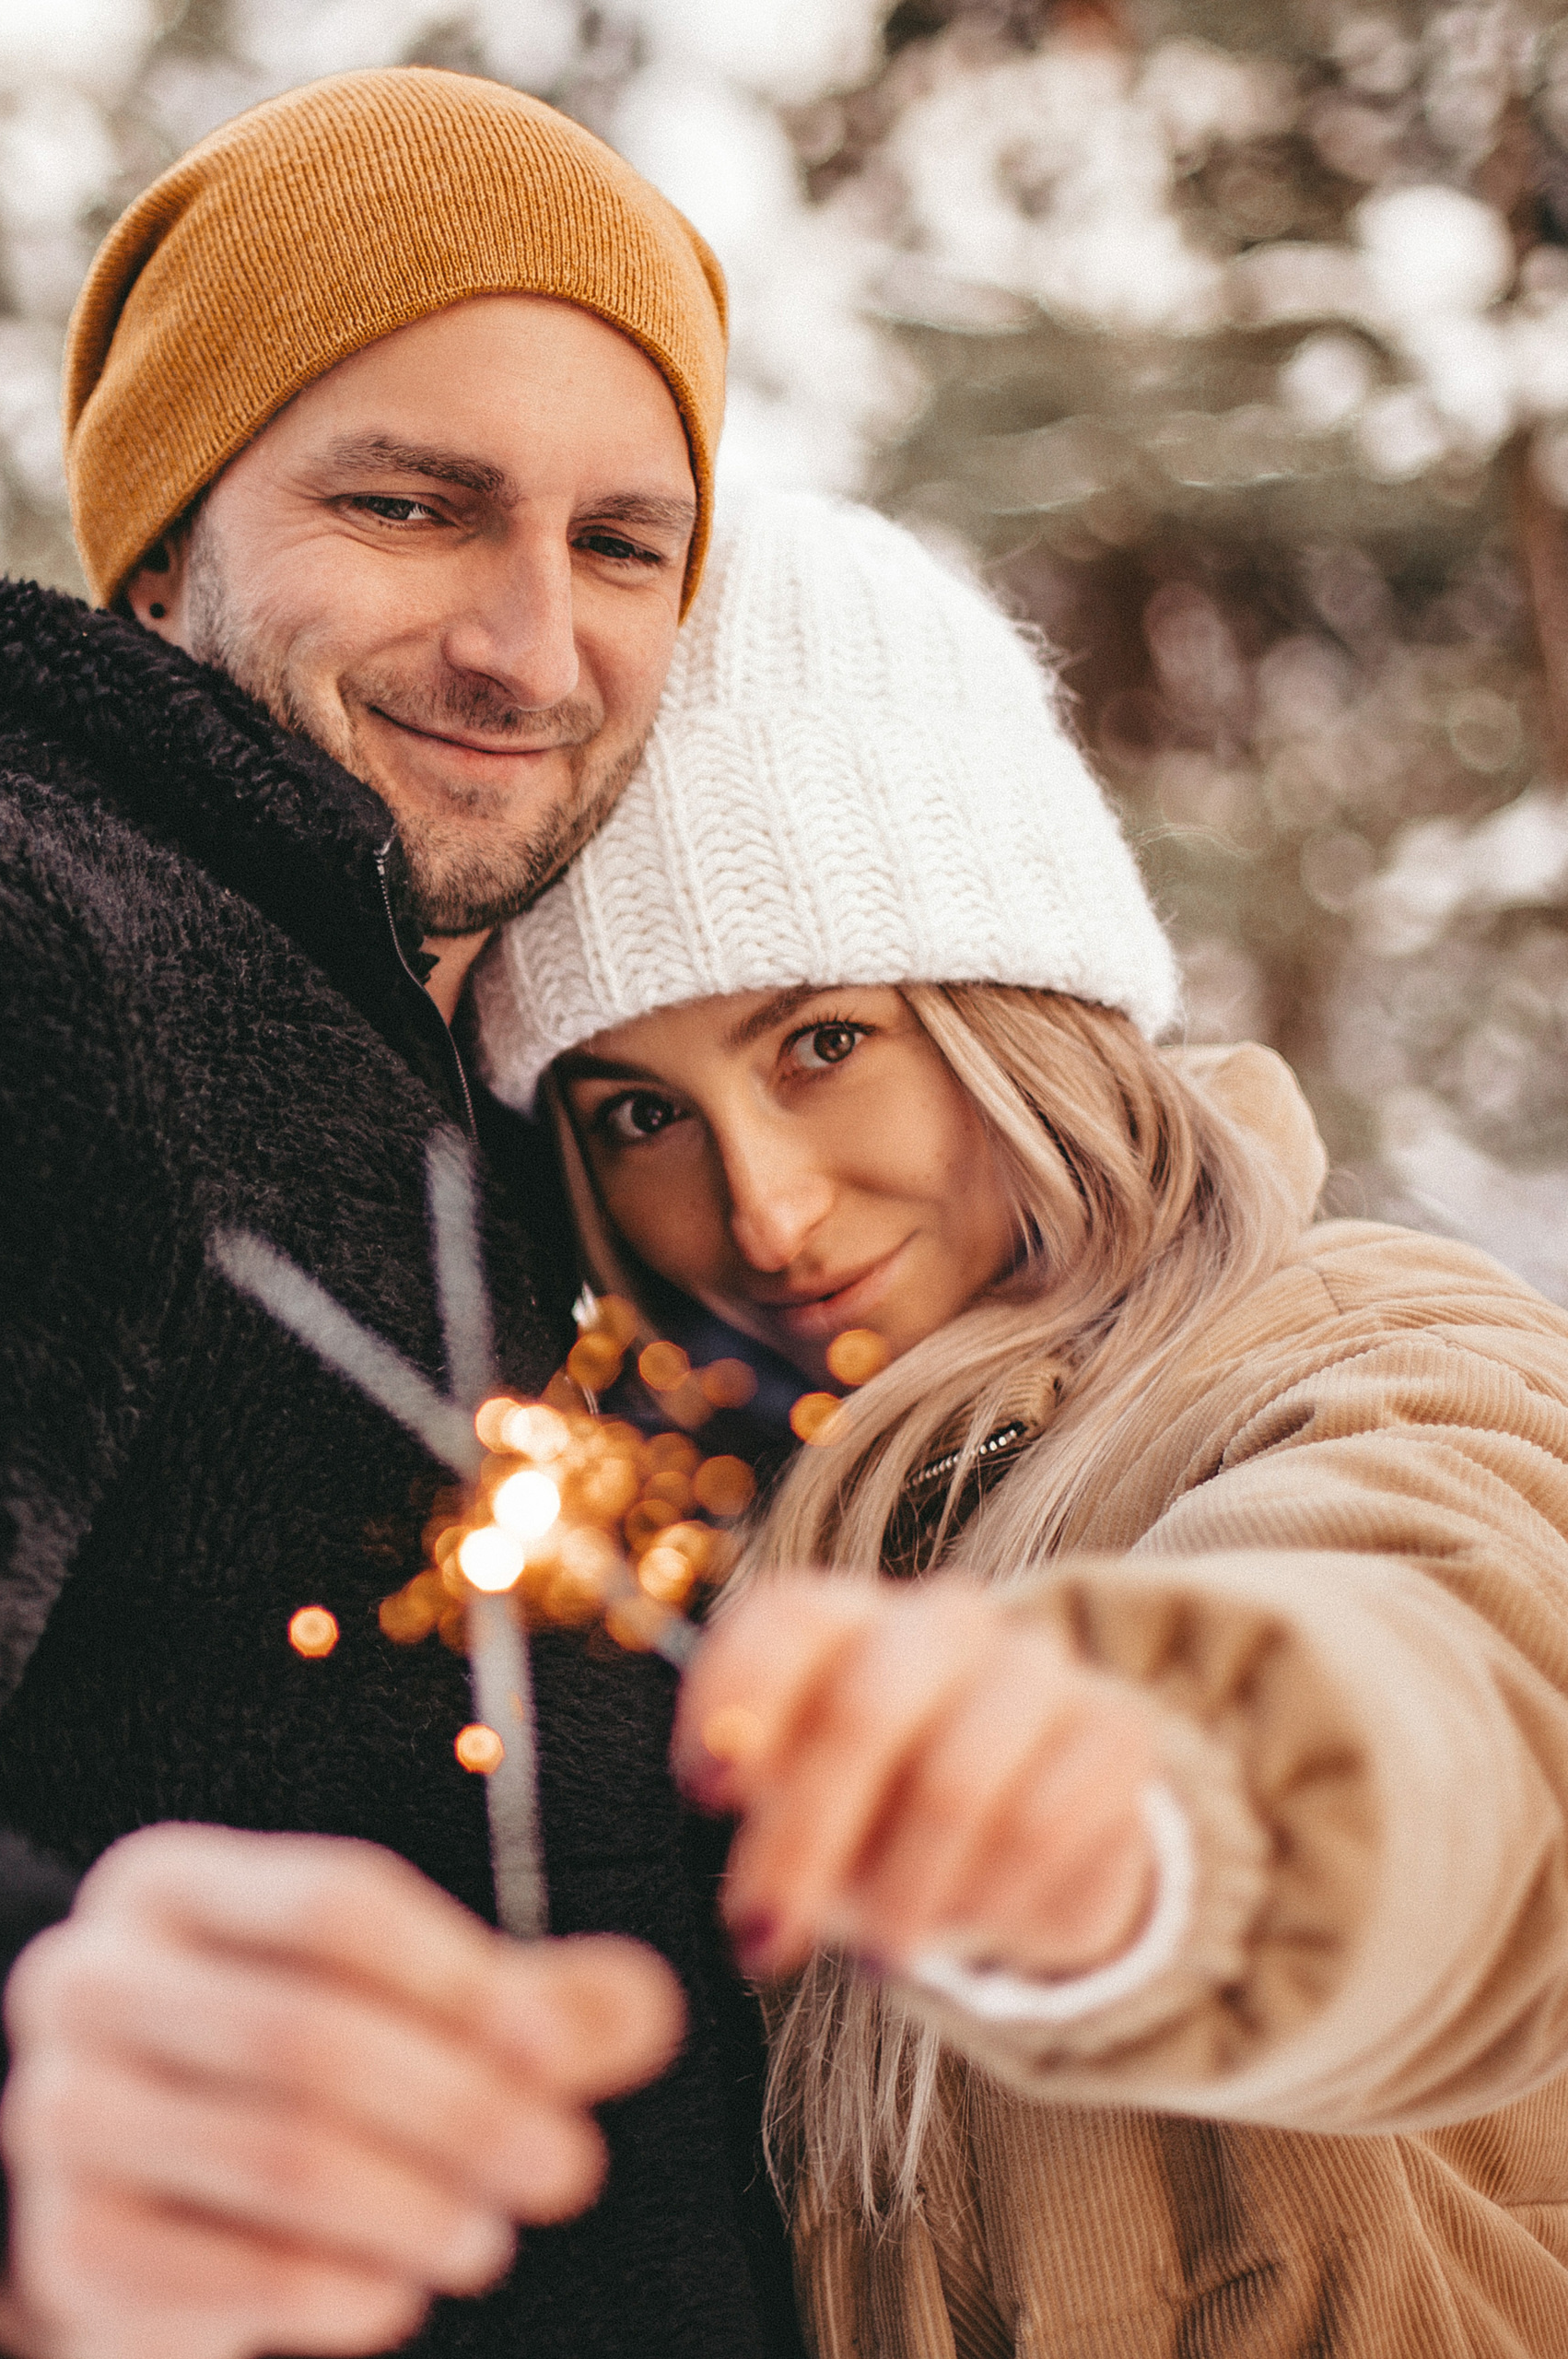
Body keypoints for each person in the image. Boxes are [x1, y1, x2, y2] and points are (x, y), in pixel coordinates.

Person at [0, 68, 813, 2359]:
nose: (532, 645)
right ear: (165, 542)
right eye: (412, 504)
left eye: (625, 545)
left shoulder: (522, 1093)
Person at [474, 487, 1568, 2355]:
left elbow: (1472, 1692)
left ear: (1018, 1015)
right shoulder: (667, 1564)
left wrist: (1158, 1787)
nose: (766, 1210)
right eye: (633, 1114)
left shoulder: (1349, 1344)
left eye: (825, 1042)